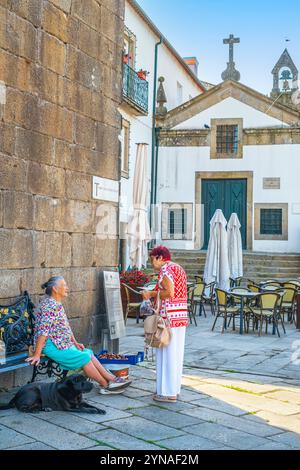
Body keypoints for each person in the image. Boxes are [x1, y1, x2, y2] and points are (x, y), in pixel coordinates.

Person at [26, 276, 131, 394]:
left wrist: (75, 342)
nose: (67, 288)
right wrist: (37, 354)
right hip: (51, 345)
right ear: (55, 289)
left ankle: (112, 378)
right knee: (84, 358)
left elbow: (66, 326)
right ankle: (106, 385)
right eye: (64, 285)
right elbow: (43, 331)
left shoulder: (56, 303)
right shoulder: (50, 306)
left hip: (61, 342)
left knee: (88, 353)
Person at [142, 246, 188, 403]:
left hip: (168, 317)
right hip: (180, 315)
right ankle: (174, 389)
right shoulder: (178, 268)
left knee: (167, 354)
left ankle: (168, 393)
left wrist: (151, 294)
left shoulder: (165, 270)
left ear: (159, 257)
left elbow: (169, 292)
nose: (151, 263)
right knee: (176, 354)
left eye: (152, 259)